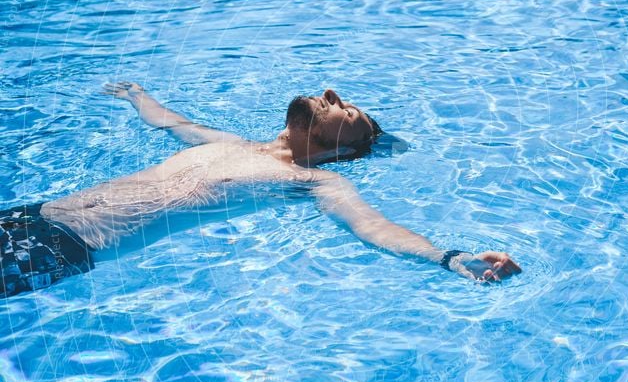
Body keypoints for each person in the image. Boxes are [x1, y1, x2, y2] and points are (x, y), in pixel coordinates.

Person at [0, 83, 521, 297]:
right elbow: (169, 123)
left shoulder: (314, 181)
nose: (331, 94)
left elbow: (374, 228)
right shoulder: (232, 143)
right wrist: (138, 95)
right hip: (31, 214)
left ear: (346, 148)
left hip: (64, 248)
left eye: (349, 112)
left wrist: (453, 258)